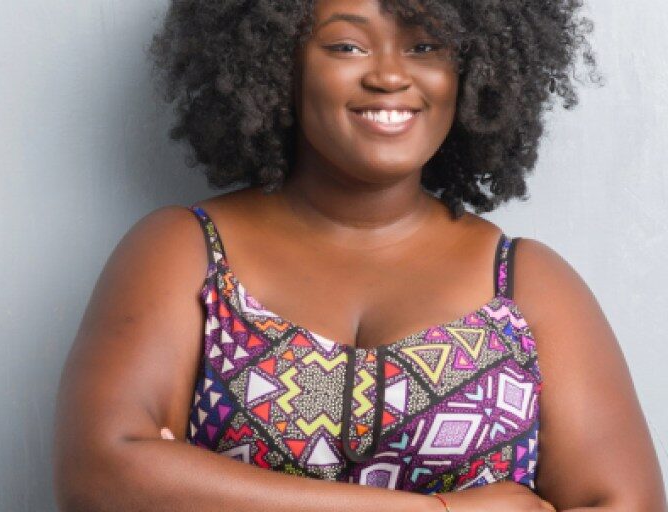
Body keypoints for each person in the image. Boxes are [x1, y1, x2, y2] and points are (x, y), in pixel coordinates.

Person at [53, 0, 667, 510]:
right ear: (280, 63)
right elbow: (101, 477)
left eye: (425, 46)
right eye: (346, 46)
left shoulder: (524, 281)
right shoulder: (184, 250)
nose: (390, 76)